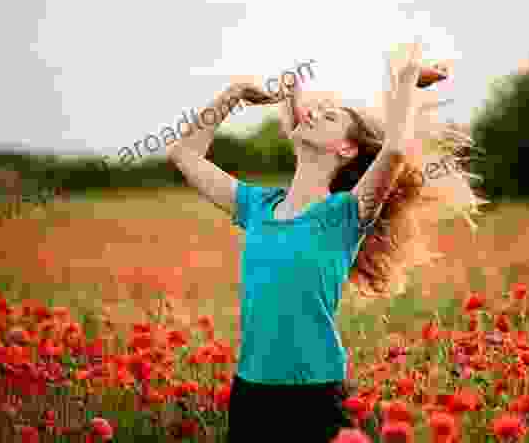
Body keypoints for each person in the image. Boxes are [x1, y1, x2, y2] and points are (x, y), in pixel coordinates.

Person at [167, 42, 485, 443]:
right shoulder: (258, 206)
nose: (315, 113)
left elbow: (397, 149)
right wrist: (234, 94)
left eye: (330, 116)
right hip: (250, 393)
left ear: (346, 148)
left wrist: (405, 80)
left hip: (315, 394)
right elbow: (184, 154)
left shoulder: (347, 214)